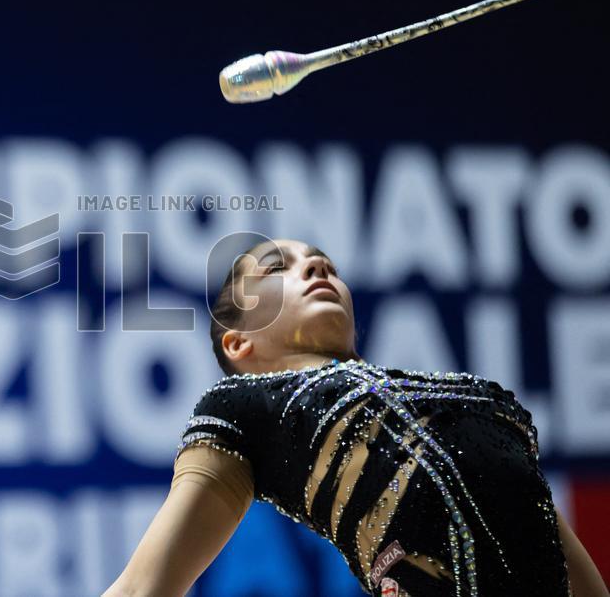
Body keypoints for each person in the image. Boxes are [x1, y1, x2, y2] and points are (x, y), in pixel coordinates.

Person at [102, 239, 607, 597]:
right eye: (278, 267)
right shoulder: (242, 407)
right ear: (238, 343)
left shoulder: (478, 396)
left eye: (325, 264)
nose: (317, 268)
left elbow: (567, 563)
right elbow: (143, 586)